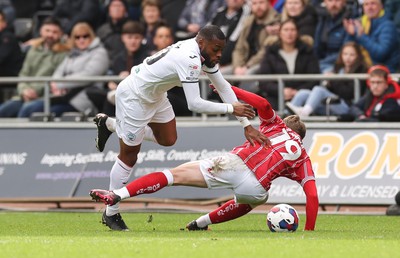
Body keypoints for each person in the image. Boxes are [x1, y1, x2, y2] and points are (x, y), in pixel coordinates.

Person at [92, 25, 269, 231]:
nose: (219, 54)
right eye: (216, 49)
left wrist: (246, 126)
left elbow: (223, 87)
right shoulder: (190, 59)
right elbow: (194, 104)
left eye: (221, 49)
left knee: (168, 139)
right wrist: (231, 108)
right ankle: (111, 213)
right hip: (135, 97)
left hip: (156, 95)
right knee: (129, 156)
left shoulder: (203, 55)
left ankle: (110, 124)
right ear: (201, 43)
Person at [90, 85, 319, 231]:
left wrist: (230, 89)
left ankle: (116, 195)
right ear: (301, 137)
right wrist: (309, 230)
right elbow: (312, 195)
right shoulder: (303, 158)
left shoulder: (276, 125)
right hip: (257, 186)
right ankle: (200, 223)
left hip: (236, 163)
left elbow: (264, 105)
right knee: (250, 202)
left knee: (173, 175)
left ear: (286, 125)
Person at [18, 22, 109, 118]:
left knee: (47, 113)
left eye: (85, 36)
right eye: (77, 37)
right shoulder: (72, 54)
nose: (81, 40)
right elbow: (58, 71)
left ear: (91, 36)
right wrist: (55, 84)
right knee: (28, 108)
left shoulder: (100, 53)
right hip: (63, 97)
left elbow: (88, 75)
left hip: (82, 100)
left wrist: (59, 84)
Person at [0, 16, 68, 117]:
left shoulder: (64, 53)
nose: (50, 35)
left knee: (25, 111)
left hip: (46, 97)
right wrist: (24, 91)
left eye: (54, 32)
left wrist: (34, 91)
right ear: (41, 31)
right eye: (47, 30)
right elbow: (23, 74)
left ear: (60, 34)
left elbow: (55, 78)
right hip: (24, 95)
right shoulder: (33, 50)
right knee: (3, 111)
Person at [285, 42, 369, 117]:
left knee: (319, 90)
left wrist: (333, 80)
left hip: (347, 107)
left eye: (352, 55)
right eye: (345, 54)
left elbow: (348, 93)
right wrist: (328, 82)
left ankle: (304, 113)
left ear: (358, 56)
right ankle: (285, 117)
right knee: (303, 93)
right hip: (331, 103)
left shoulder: (361, 70)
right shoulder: (338, 68)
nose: (348, 57)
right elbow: (332, 90)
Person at [257, 19, 320, 110]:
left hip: (302, 97)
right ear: (280, 33)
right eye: (286, 30)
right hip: (275, 97)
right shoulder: (271, 53)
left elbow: (314, 78)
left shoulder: (307, 52)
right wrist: (281, 90)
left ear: (297, 32)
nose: (289, 33)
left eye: (292, 30)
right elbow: (264, 81)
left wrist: (296, 92)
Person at [343, 0, 400, 72]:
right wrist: (350, 34)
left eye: (373, 3)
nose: (369, 7)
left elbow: (380, 54)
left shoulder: (388, 26)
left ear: (381, 6)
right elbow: (346, 50)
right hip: (361, 70)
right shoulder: (359, 23)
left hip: (383, 74)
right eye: (366, 4)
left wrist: (361, 36)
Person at [313, 0, 353, 73]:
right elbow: (316, 47)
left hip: (342, 64)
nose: (333, 4)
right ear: (325, 2)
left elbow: (345, 51)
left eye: (337, 1)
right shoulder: (321, 20)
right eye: (330, 1)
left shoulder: (350, 20)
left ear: (344, 2)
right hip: (322, 64)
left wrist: (321, 63)